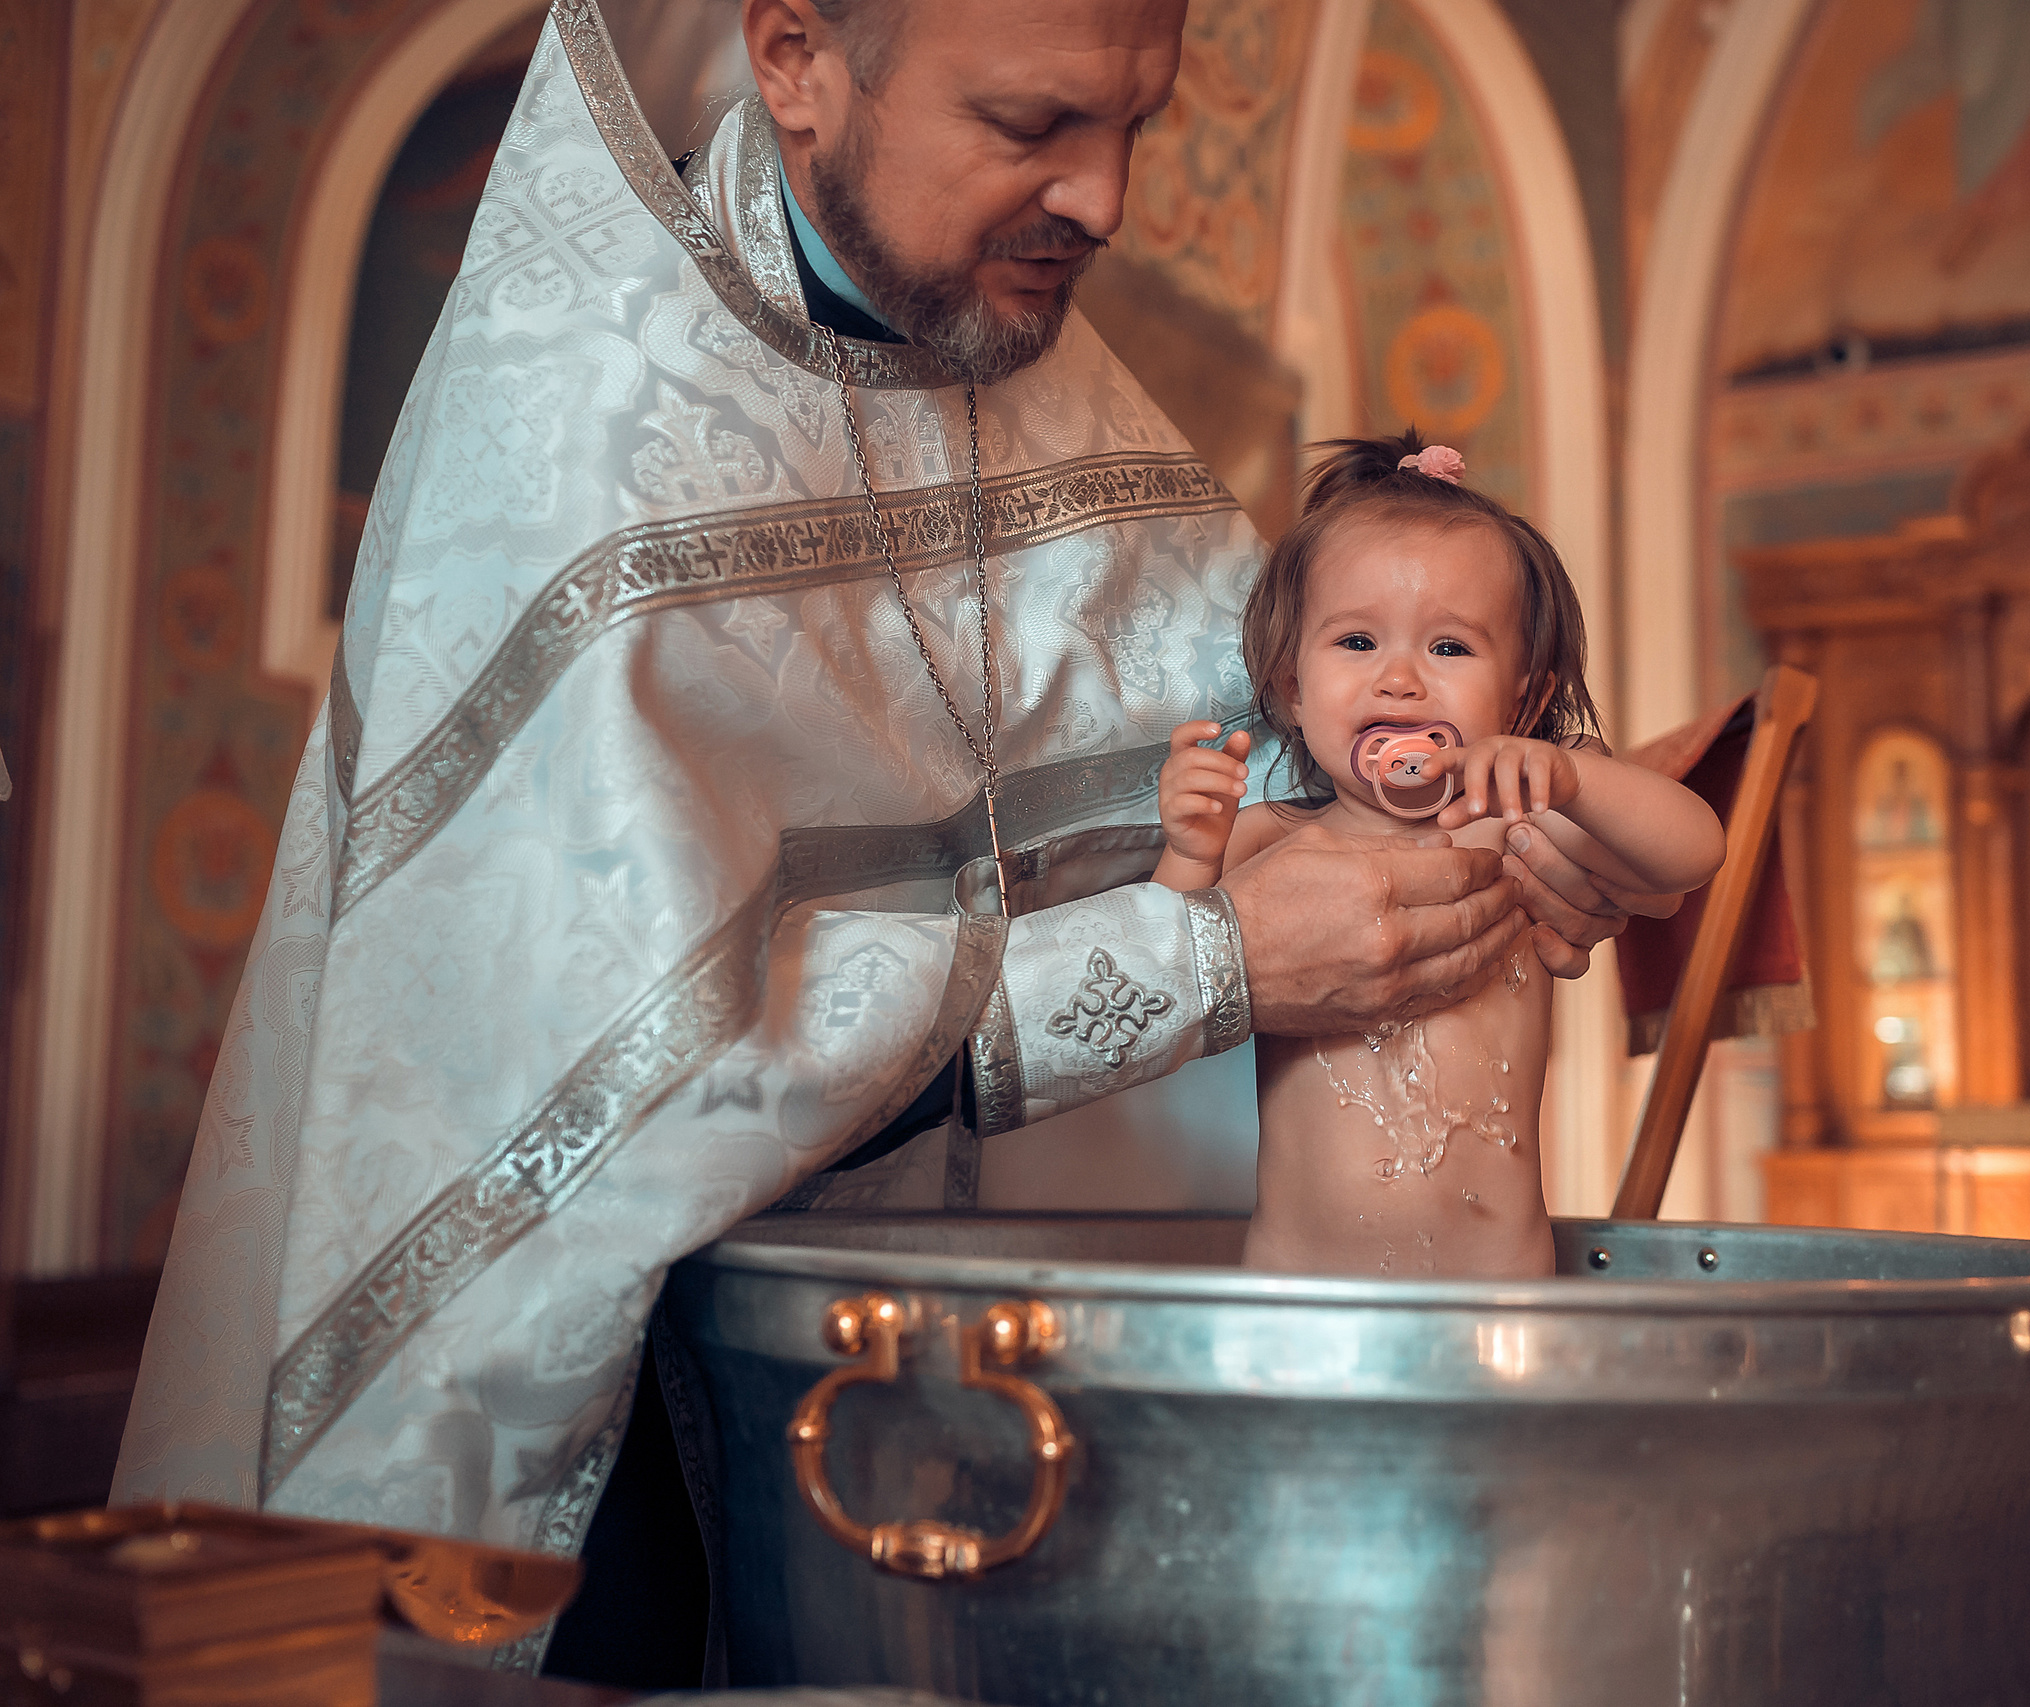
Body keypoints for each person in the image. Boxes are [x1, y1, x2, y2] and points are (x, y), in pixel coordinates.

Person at [111, 0, 1657, 1650]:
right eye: (1031, 126)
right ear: (796, 62)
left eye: (1135, 125)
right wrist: (1198, 962)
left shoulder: (1045, 384)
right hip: (634, 1463)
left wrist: (1532, 815)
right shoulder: (591, 445)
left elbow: (1310, 757)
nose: (1105, 201)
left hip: (1004, 1438)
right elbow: (603, 1083)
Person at [1153, 436, 1725, 1278]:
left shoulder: (1516, 828)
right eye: (1357, 641)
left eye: (1449, 648)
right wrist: (1189, 847)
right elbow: (1163, 973)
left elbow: (1695, 851)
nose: (1400, 680)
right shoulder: (1267, 842)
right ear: (1292, 688)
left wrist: (1575, 776)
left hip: (1495, 1298)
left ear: (1523, 697)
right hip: (1300, 1295)